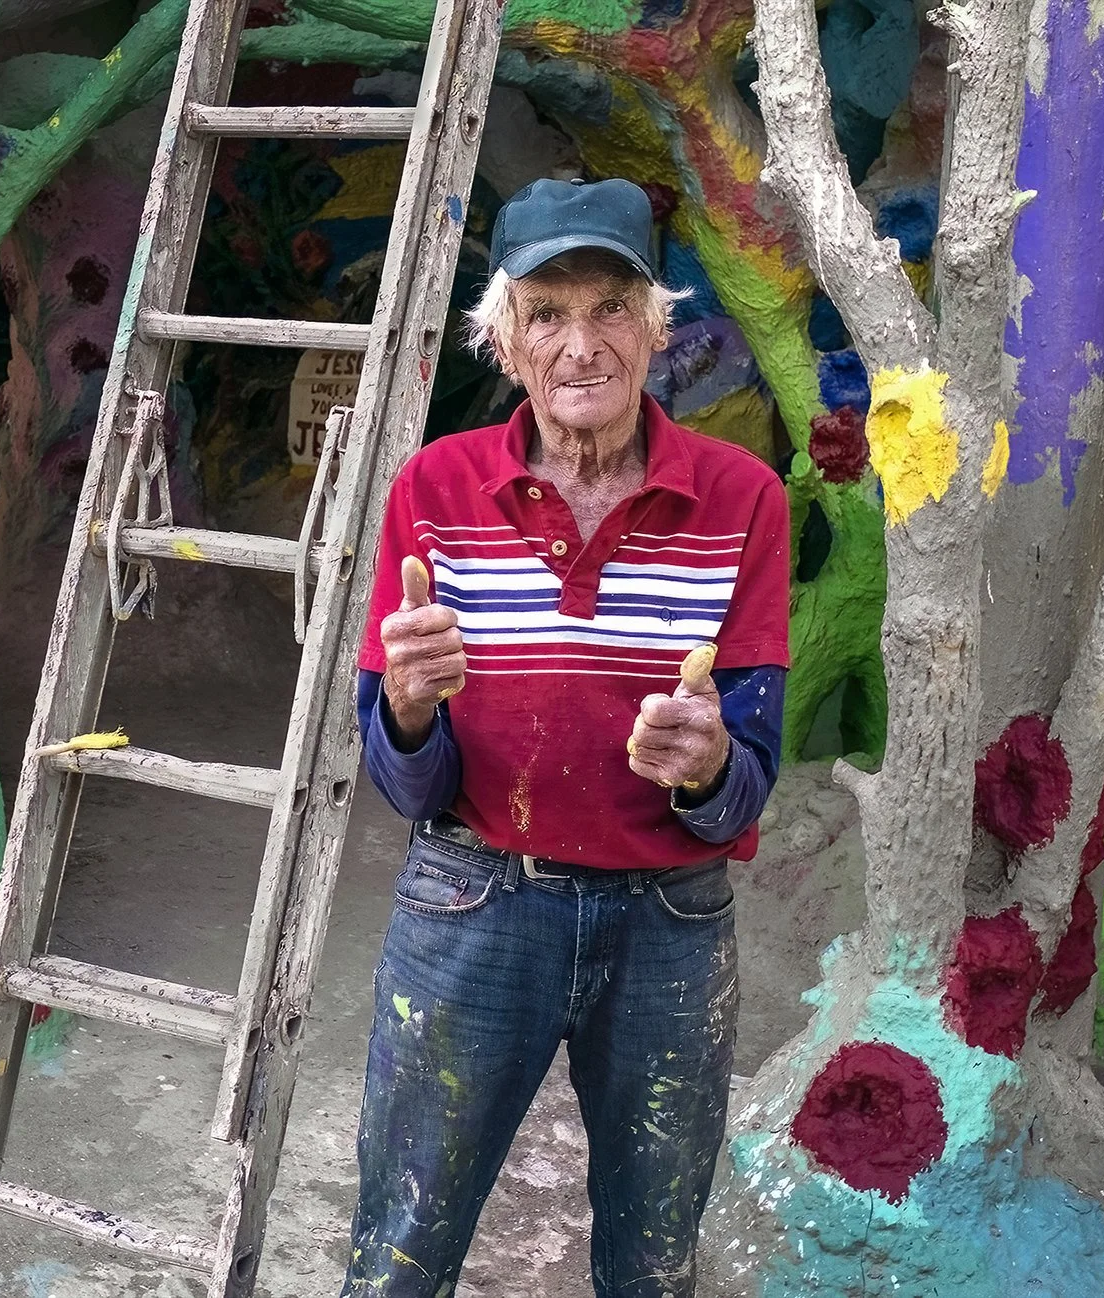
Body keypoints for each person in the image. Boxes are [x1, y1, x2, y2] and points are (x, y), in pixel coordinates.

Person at [340, 177, 791, 1297]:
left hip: (669, 923)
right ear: (503, 339)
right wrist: (405, 709)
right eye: (544, 311)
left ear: (655, 326)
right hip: (472, 898)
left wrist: (709, 766)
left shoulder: (741, 499)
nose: (579, 344)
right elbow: (408, 781)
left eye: (608, 309)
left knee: (651, 1259)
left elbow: (748, 784)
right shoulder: (434, 490)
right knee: (397, 1249)